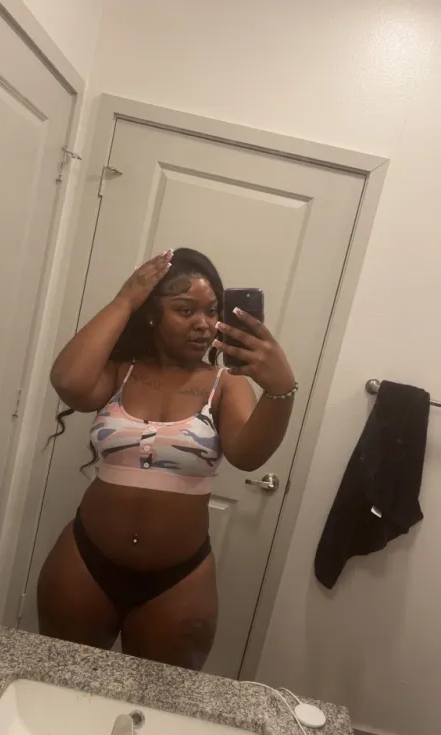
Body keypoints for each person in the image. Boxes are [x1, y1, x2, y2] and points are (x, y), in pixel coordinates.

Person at [38, 247, 297, 669]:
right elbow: (69, 382)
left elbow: (248, 456)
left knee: (161, 699)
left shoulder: (226, 383)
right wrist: (125, 299)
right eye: (185, 310)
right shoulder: (120, 371)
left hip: (179, 579)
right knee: (59, 680)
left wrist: (280, 391)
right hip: (85, 561)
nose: (204, 324)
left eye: (211, 311)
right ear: (152, 314)